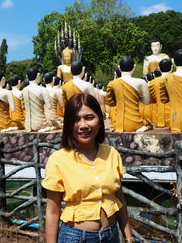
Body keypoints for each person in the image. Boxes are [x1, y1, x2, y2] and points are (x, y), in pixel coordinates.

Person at [42, 94, 134, 243]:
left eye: (89, 117)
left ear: (100, 121)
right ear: (68, 125)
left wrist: (128, 237)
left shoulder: (111, 154)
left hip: (110, 235)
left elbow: (119, 198)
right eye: (76, 119)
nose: (83, 125)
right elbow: (52, 212)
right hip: (75, 237)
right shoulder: (58, 160)